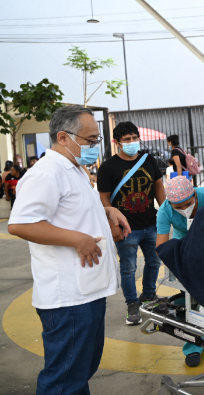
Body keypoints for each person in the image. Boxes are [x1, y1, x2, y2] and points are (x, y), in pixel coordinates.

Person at [7, 105, 131, 394]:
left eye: (96, 140)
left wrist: (108, 210)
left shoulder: (73, 169)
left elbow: (74, 209)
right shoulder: (47, 174)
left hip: (87, 292)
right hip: (69, 299)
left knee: (79, 372)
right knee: (64, 380)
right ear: (63, 137)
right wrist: (77, 239)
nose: (94, 147)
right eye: (90, 141)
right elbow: (21, 224)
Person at [97, 121, 166, 325]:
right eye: (127, 139)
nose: (132, 142)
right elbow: (104, 200)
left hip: (152, 223)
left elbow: (159, 188)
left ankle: (148, 296)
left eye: (134, 138)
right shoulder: (108, 167)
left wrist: (166, 215)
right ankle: (132, 304)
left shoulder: (148, 160)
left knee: (154, 262)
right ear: (117, 142)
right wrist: (113, 226)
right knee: (128, 267)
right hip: (127, 228)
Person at [155, 176, 204, 367]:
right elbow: (161, 245)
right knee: (188, 302)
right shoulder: (165, 211)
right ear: (169, 204)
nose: (184, 209)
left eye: (188, 204)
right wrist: (176, 262)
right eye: (178, 207)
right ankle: (192, 345)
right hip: (183, 248)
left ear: (195, 194)